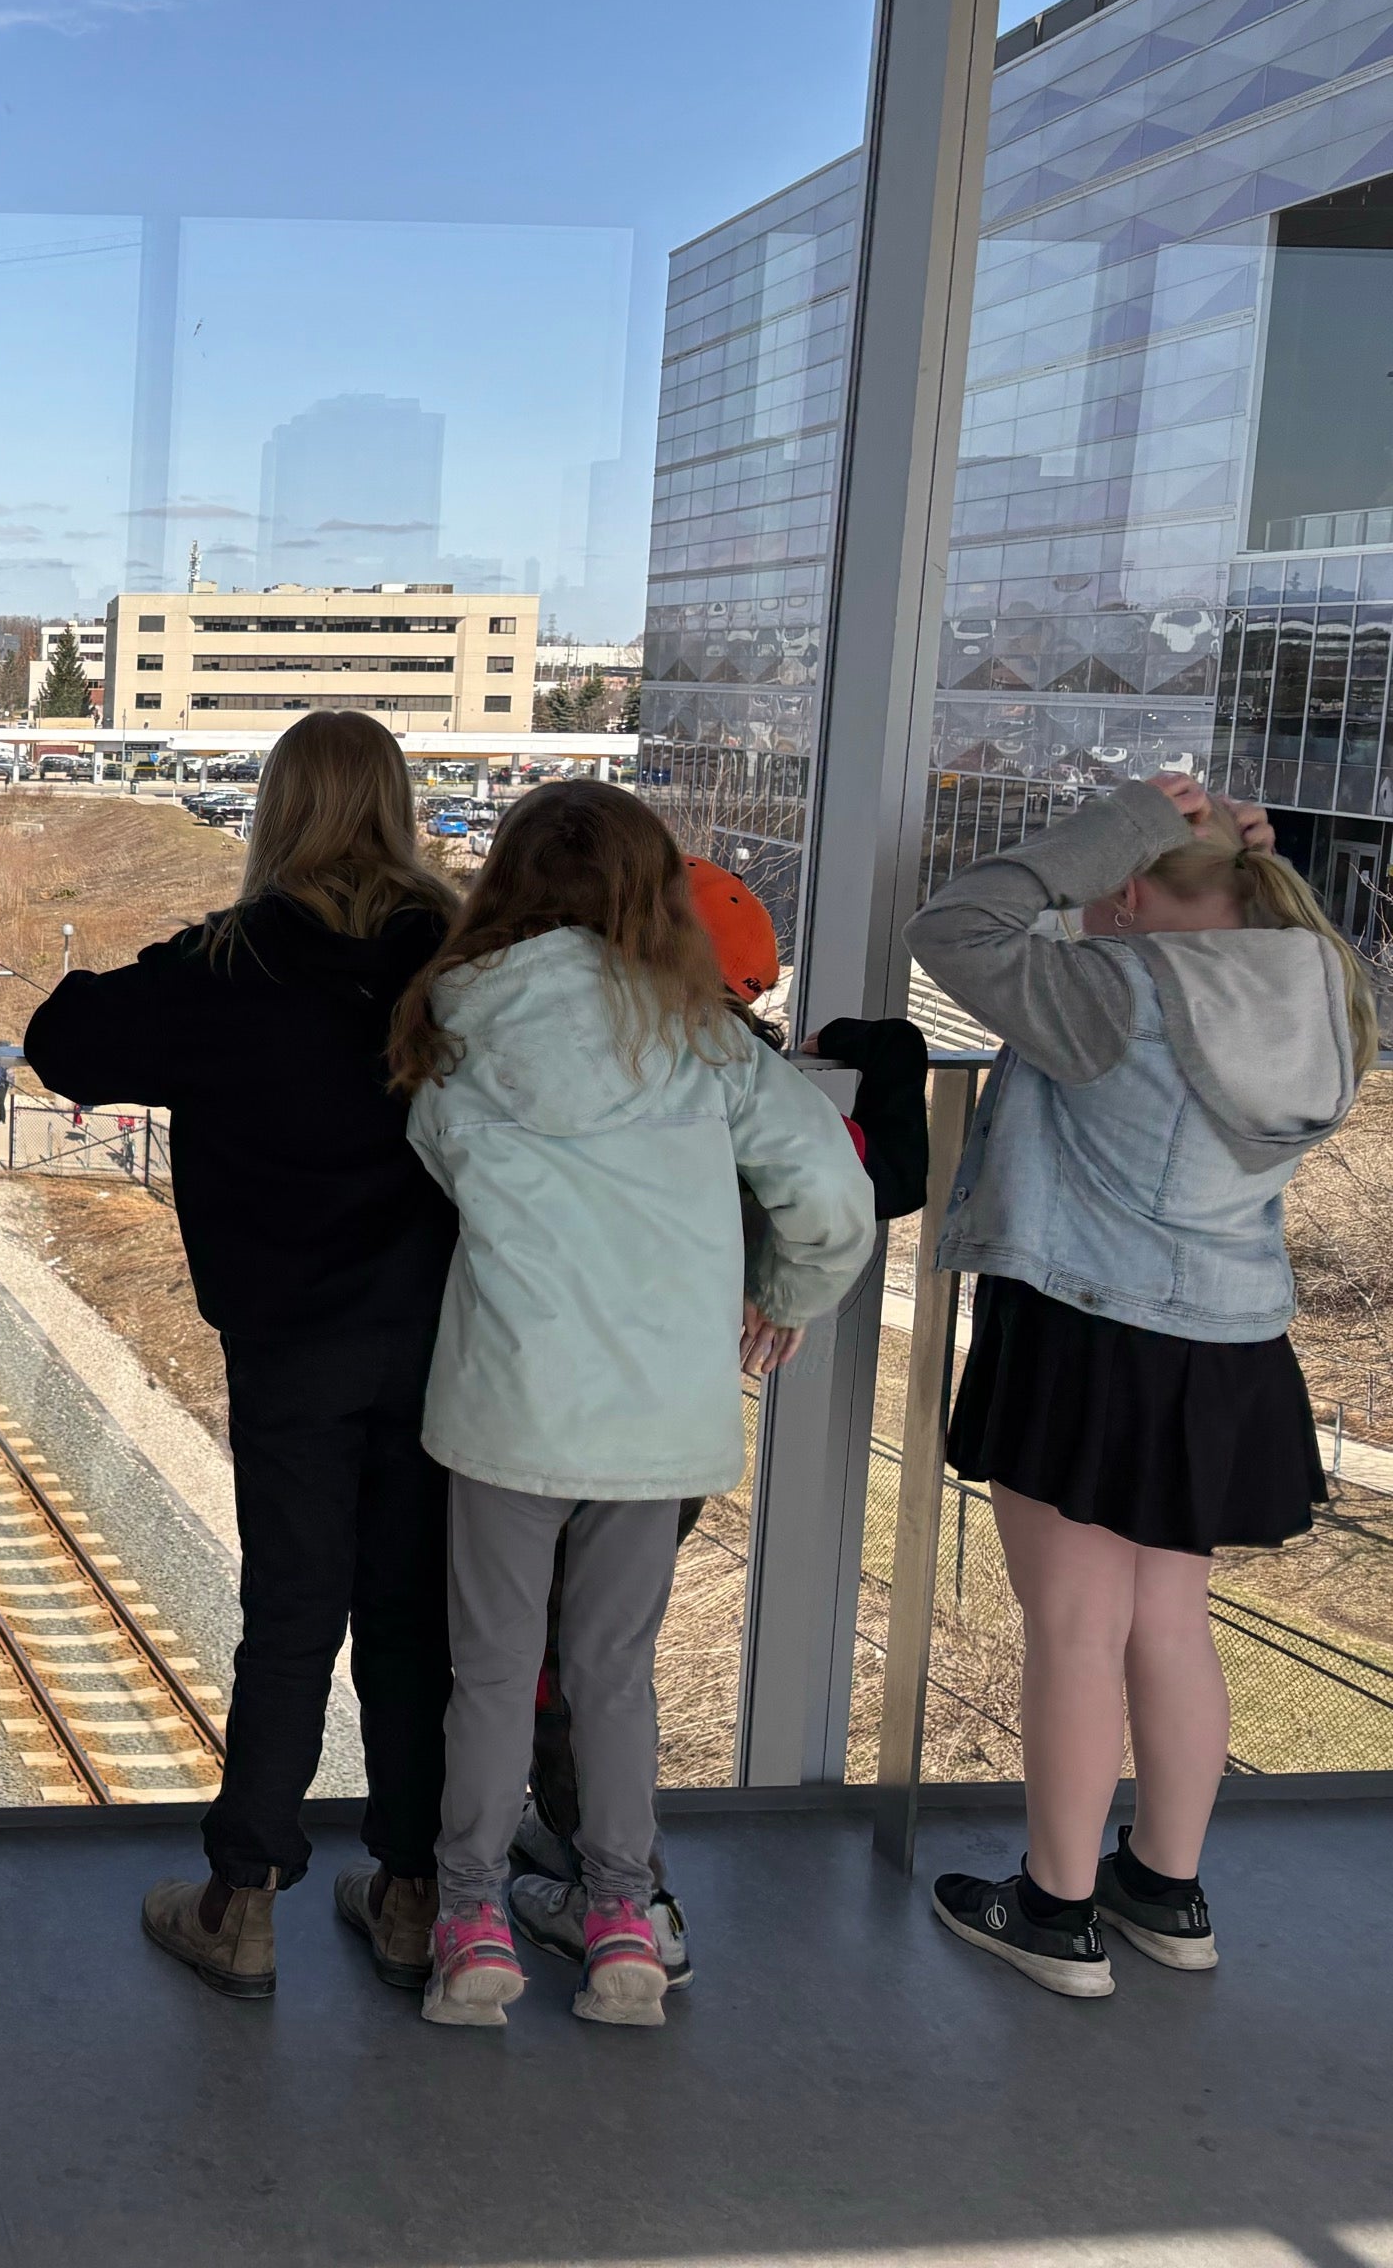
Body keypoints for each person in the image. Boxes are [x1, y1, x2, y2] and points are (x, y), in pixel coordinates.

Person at [389, 779, 874, 2029]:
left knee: (493, 1673)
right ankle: (620, 1926)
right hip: (661, 1412)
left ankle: (472, 1927)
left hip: (510, 1404)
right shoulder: (701, 1036)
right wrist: (784, 1291)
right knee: (614, 1674)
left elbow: (444, 1163)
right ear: (654, 894)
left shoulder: (455, 1021)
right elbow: (831, 1192)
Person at [23, 713, 462, 2000]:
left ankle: (243, 1902)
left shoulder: (231, 964)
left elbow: (62, 1038)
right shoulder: (457, 962)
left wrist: (187, 955)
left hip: (291, 1346)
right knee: (410, 1618)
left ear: (276, 812)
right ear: (396, 808)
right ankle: (412, 1894)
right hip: (443, 1337)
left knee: (292, 1615)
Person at [908, 773, 1368, 1997]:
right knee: (1169, 1622)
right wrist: (1215, 853)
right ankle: (1165, 1890)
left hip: (1089, 1332)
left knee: (1073, 1627)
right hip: (1228, 1341)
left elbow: (953, 925)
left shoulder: (1116, 995)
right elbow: (1236, 917)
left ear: (1128, 886)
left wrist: (1112, 831)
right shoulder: (1318, 984)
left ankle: (1054, 1912)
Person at [504, 857, 931, 1993]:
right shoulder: (750, 1082)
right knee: (600, 1651)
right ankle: (598, 1864)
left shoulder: (555, 1056)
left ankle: (623, 1896)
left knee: (543, 1652)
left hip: (538, 1400)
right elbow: (881, 1178)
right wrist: (885, 1053)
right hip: (676, 1418)